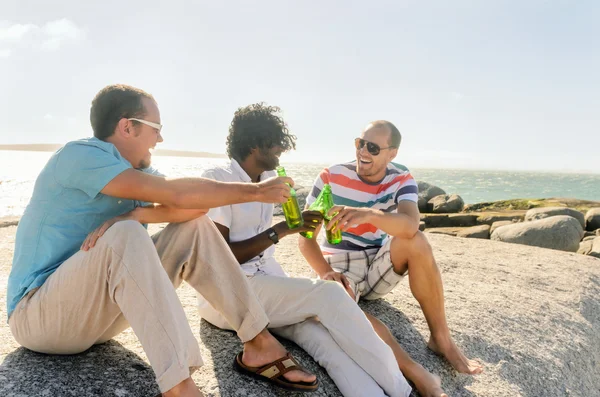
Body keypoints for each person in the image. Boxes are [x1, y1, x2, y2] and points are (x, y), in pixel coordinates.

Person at [7, 84, 319, 397]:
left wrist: (137, 215)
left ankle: (259, 342)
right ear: (127, 126)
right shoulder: (79, 156)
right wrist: (256, 192)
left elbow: (196, 206)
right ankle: (179, 386)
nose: (161, 138)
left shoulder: (138, 170)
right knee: (124, 235)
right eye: (157, 128)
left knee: (194, 226)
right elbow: (175, 192)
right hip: (39, 317)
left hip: (97, 318)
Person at [198, 103, 446, 397]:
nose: (281, 151)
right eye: (276, 144)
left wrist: (300, 224)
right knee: (329, 294)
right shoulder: (218, 177)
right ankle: (404, 388)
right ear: (254, 143)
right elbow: (219, 257)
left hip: (265, 289)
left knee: (325, 341)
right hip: (229, 294)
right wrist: (285, 229)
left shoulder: (266, 180)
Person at [299, 120, 484, 378]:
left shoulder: (401, 178)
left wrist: (369, 215)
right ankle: (413, 371)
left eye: (373, 147)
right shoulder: (331, 176)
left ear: (392, 153)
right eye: (360, 143)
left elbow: (410, 225)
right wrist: (324, 272)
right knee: (334, 310)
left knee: (417, 240)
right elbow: (305, 237)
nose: (363, 151)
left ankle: (441, 339)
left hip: (378, 265)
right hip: (340, 268)